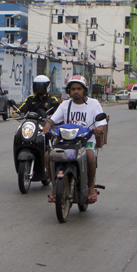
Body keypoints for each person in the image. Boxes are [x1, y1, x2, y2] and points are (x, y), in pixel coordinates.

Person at [42, 75, 107, 204]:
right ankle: (55, 188)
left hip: (86, 140)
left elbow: (101, 123)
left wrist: (99, 128)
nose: (76, 91)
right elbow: (53, 119)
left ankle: (91, 187)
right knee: (48, 156)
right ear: (69, 91)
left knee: (89, 156)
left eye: (79, 88)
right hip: (67, 141)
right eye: (73, 89)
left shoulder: (94, 104)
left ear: (84, 90)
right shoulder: (65, 104)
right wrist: (47, 126)